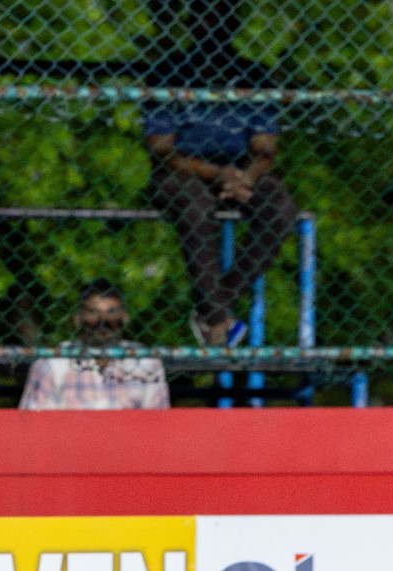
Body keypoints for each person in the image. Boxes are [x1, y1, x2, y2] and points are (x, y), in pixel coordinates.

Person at [142, 0, 296, 347]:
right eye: (201, 15)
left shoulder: (254, 75)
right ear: (190, 22)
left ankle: (215, 310)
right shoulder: (168, 73)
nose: (210, 25)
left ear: (233, 23)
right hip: (184, 171)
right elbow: (162, 149)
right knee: (196, 208)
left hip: (239, 172)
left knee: (280, 208)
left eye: (219, 16)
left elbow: (265, 148)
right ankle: (217, 321)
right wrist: (217, 173)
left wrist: (247, 178)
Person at [20, 279, 170, 410]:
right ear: (78, 319)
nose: (102, 322)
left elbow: (158, 423)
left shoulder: (146, 362)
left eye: (111, 312)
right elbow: (34, 424)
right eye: (93, 312)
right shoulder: (53, 363)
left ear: (124, 318)